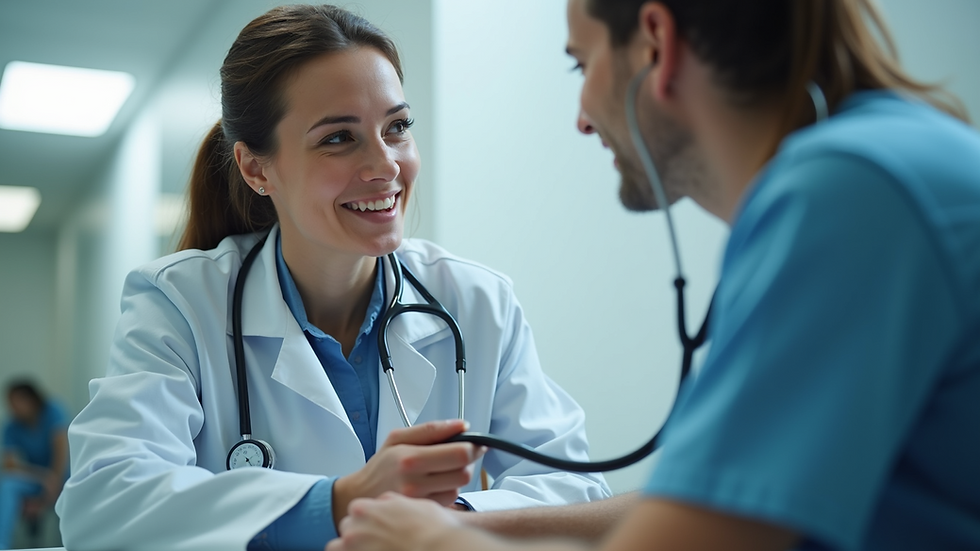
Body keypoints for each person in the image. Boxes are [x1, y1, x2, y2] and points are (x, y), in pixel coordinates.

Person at [325, 0, 980, 550]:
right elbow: (703, 505)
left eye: (582, 64)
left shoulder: (847, 195)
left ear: (656, 44)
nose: (582, 117)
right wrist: (464, 524)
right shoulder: (879, 161)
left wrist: (441, 543)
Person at [54, 5, 610, 551]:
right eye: (339, 138)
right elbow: (102, 504)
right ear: (256, 168)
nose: (387, 165)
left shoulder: (477, 301)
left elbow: (579, 493)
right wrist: (342, 504)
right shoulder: (179, 302)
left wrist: (449, 520)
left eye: (397, 127)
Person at [0, 380, 68, 549]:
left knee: (71, 496)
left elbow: (61, 455)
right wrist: (43, 477)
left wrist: (46, 495)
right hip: (37, 479)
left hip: (65, 477)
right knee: (8, 484)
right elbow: (10, 466)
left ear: (30, 399)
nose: (11, 408)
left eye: (14, 402)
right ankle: (2, 544)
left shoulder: (53, 412)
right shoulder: (11, 426)